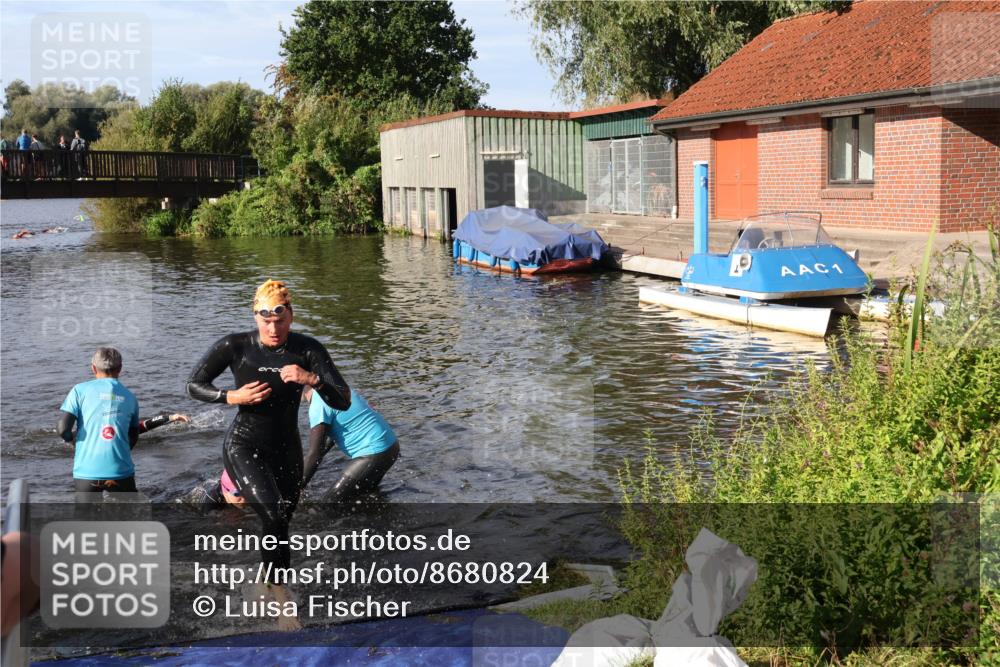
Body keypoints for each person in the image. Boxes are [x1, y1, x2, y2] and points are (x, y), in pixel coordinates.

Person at [186, 279, 351, 590]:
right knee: (273, 515)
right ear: (256, 317)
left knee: (281, 522)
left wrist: (312, 379)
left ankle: (270, 586)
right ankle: (281, 599)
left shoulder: (307, 349)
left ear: (290, 315)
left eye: (279, 320)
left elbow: (343, 399)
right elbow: (194, 384)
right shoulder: (235, 346)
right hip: (243, 444)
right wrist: (230, 397)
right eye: (266, 321)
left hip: (286, 447)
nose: (273, 329)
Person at [58, 347, 141, 496]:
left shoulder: (79, 391)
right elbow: (133, 436)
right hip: (121, 471)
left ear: (93, 368)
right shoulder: (130, 397)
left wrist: (72, 441)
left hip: (86, 472)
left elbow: (63, 429)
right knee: (128, 516)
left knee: (86, 517)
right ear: (120, 368)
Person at [303, 386, 400, 502]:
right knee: (368, 498)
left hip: (373, 453)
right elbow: (327, 442)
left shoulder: (318, 405)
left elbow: (315, 453)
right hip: (390, 447)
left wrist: (295, 488)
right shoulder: (334, 388)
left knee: (326, 505)